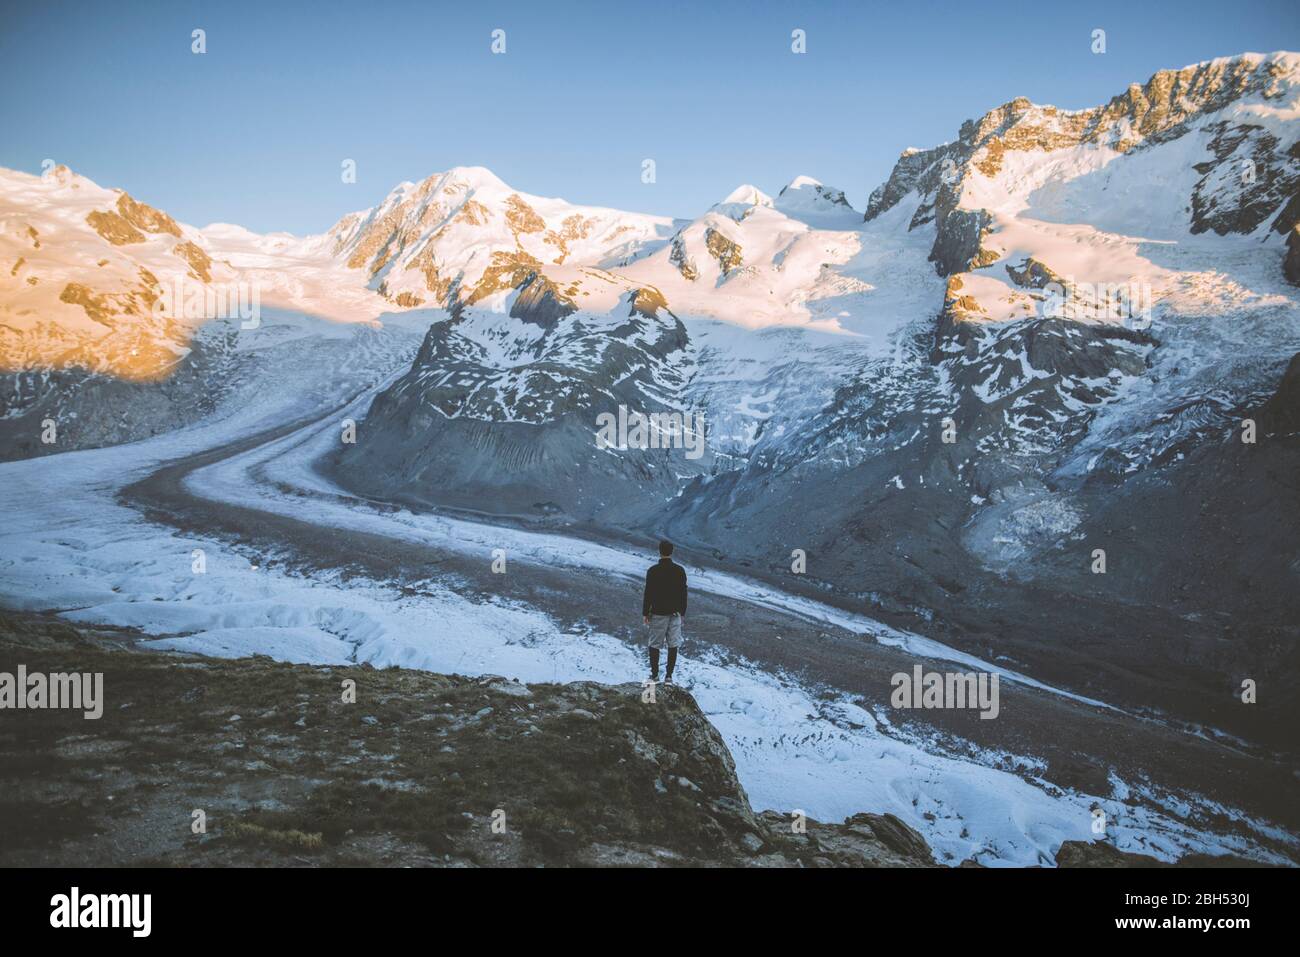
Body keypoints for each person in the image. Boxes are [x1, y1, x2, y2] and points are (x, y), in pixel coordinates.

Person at [642, 539, 687, 683]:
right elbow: (683, 593)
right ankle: (669, 676)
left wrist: (645, 612)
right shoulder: (679, 570)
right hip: (675, 614)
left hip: (658, 613)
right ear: (672, 552)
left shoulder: (653, 571)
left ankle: (654, 675)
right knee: (673, 644)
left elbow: (648, 593)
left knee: (655, 644)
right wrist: (683, 612)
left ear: (659, 552)